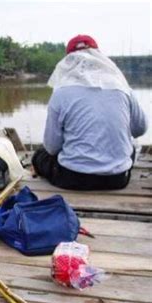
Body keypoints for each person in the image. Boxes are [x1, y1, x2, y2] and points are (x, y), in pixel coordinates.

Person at [32, 34, 148, 190]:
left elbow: (52, 147)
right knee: (131, 147)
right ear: (99, 58)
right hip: (118, 179)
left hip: (72, 178)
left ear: (68, 62)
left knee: (39, 156)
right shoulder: (122, 89)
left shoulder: (60, 93)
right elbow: (140, 129)